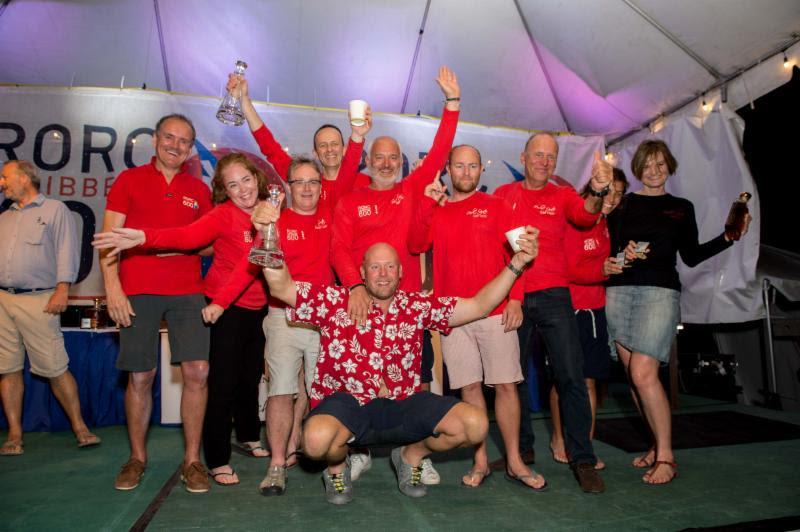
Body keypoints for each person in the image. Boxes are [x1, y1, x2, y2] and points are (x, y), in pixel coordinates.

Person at [251, 196, 539, 504]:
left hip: (402, 404)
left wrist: (517, 263)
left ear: (401, 273)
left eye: (390, 267)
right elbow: (281, 288)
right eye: (375, 267)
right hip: (349, 404)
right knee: (315, 441)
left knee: (475, 425)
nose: (384, 274)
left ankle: (410, 456)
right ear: (362, 273)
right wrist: (267, 235)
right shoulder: (335, 301)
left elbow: (481, 305)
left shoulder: (416, 306)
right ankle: (337, 467)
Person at [93, 152, 273, 487]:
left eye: (246, 180)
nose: (243, 189)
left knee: (251, 378)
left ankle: (249, 435)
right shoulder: (222, 215)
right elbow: (188, 237)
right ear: (224, 190)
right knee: (219, 382)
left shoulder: (273, 210)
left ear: (257, 178)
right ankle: (216, 459)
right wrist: (144, 237)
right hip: (222, 305)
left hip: (261, 307)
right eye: (233, 185)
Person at [331, 66, 461, 482]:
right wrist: (353, 285)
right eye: (379, 157)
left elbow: (440, 152)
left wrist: (452, 105)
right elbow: (337, 247)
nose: (386, 163)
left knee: (418, 380)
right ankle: (356, 449)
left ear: (401, 161)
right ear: (368, 161)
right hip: (360, 303)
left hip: (406, 306)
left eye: (393, 157)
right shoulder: (351, 200)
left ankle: (412, 452)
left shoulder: (410, 189)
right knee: (355, 383)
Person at [605, 139, 750, 485]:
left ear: (669, 166)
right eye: (647, 165)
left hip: (660, 293)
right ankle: (655, 446)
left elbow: (691, 256)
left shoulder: (681, 208)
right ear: (638, 169)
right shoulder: (622, 206)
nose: (654, 171)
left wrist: (728, 240)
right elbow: (610, 254)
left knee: (643, 374)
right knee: (634, 379)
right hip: (619, 294)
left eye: (660, 164)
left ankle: (667, 456)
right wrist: (623, 258)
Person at [408, 145, 546, 491]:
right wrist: (426, 203)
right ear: (449, 170)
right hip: (453, 315)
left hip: (496, 311)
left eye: (472, 166)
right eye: (459, 166)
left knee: (505, 386)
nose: (466, 172)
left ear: (481, 170)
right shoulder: (436, 210)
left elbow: (522, 253)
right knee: (469, 388)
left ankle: (514, 461)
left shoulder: (498, 206)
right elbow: (414, 244)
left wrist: (516, 299)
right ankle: (480, 460)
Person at [100, 114, 213, 493]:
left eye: (184, 141)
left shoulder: (198, 190)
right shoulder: (129, 181)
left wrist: (173, 243)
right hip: (137, 289)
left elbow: (210, 242)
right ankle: (136, 458)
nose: (176, 145)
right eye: (170, 137)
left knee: (197, 371)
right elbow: (108, 239)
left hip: (187, 289)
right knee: (141, 376)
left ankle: (193, 461)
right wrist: (112, 288)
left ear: (190, 149)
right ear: (154, 139)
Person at [493, 132, 612, 493]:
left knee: (571, 378)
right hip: (513, 295)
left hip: (555, 296)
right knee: (511, 380)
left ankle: (584, 459)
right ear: (523, 157)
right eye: (538, 155)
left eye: (551, 156)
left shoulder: (563, 195)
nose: (544, 162)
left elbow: (586, 214)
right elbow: (492, 244)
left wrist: (597, 190)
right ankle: (522, 450)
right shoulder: (503, 195)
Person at [0, 160, 101, 456]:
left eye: (5, 177)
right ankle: (15, 435)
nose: (2, 183)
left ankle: (81, 428)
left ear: (23, 178)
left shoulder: (54, 210)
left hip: (39, 299)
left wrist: (63, 288)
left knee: (56, 367)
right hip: (4, 300)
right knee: (8, 369)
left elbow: (67, 250)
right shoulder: (5, 216)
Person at [549, 168, 628, 469]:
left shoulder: (605, 223)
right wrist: (601, 271)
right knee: (565, 380)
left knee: (590, 381)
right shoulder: (576, 218)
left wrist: (619, 262)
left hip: (596, 308)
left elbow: (599, 262)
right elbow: (566, 269)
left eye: (620, 194)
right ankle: (558, 437)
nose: (614, 199)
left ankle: (586, 446)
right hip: (569, 309)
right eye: (610, 191)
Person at [227, 74, 370, 212]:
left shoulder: (366, 183)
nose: (329, 149)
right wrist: (244, 100)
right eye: (322, 145)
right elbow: (269, 146)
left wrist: (357, 135)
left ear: (345, 149)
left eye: (335, 144)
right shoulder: (303, 179)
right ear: (315, 153)